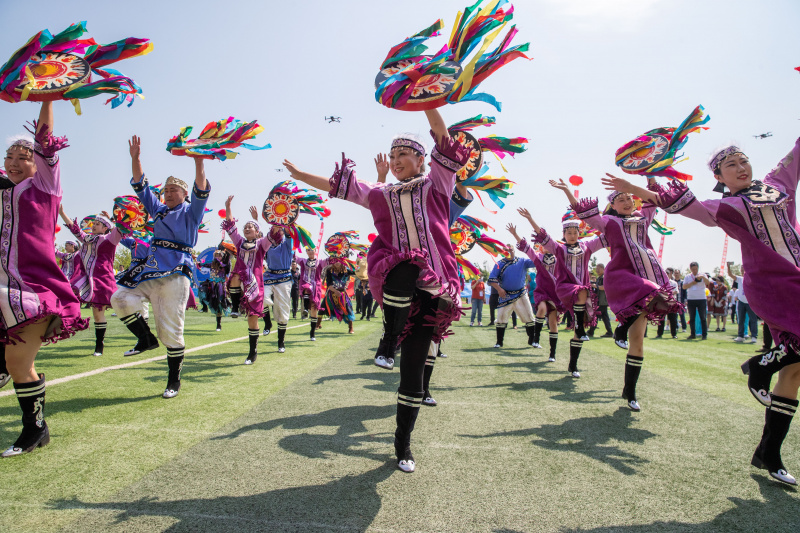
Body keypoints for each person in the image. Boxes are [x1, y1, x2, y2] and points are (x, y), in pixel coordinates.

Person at [282, 108, 468, 473]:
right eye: (393, 155)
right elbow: (341, 187)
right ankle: (387, 340)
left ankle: (403, 443)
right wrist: (301, 175)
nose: (397, 161)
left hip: (435, 286)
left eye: (404, 155)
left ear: (421, 159)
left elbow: (441, 134)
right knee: (405, 264)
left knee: (412, 374)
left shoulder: (437, 184)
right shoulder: (380, 193)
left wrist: (426, 100)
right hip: (396, 275)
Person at [605, 140, 800, 485]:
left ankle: (769, 451)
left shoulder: (777, 182)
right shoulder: (728, 206)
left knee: (796, 372)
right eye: (731, 166)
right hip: (772, 285)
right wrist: (635, 189)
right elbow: (684, 205)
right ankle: (761, 365)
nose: (741, 168)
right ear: (720, 176)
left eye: (744, 161)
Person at [1, 101, 89, 457]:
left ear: (37, 162)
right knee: (18, 364)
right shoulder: (3, 190)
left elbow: (44, 138)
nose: (13, 161)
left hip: (34, 292)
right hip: (5, 290)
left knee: (19, 366)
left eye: (22, 156)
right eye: (8, 155)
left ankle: (35, 429)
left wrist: (47, 95)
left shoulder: (45, 188)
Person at [565, 178, 681, 410]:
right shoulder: (608, 223)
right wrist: (568, 191)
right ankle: (619, 329)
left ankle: (630, 392)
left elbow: (652, 199)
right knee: (653, 290)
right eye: (620, 199)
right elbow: (586, 216)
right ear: (613, 207)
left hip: (647, 275)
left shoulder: (643, 218)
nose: (627, 201)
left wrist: (650, 176)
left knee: (637, 340)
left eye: (629, 197)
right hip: (622, 276)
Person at [112, 136, 210, 399]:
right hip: (151, 268)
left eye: (173, 190)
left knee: (171, 329)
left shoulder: (191, 212)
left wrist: (199, 161)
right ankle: (145, 338)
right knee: (120, 297)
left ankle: (173, 381)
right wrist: (136, 159)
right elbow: (141, 187)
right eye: (165, 190)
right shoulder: (158, 211)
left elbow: (201, 188)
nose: (167, 193)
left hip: (176, 271)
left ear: (183, 194)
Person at [518, 201, 607, 378]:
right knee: (582, 291)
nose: (572, 235)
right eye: (569, 233)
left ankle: (573, 365)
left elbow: (606, 236)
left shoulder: (587, 247)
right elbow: (543, 236)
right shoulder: (558, 249)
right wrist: (530, 219)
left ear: (579, 233)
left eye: (575, 232)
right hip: (565, 288)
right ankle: (547, 336)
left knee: (577, 329)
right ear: (564, 235)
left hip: (580, 295)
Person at [223, 197, 283, 363]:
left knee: (252, 319)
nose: (247, 228)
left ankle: (253, 352)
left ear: (257, 232)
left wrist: (279, 216)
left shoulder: (261, 244)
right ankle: (234, 306)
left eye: (251, 227)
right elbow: (230, 225)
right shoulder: (239, 242)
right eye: (246, 227)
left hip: (255, 285)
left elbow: (273, 232)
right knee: (235, 274)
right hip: (240, 277)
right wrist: (228, 206)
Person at [59, 207, 124, 356]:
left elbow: (120, 228)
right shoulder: (87, 239)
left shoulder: (110, 239)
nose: (94, 225)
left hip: (103, 280)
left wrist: (114, 219)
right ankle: (95, 342)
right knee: (94, 312)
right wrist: (62, 213)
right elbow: (74, 229)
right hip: (88, 279)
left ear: (105, 228)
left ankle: (100, 345)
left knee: (108, 312)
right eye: (93, 223)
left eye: (98, 224)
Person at [261, 227, 294, 351]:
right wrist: (257, 220)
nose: (277, 231)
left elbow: (289, 233)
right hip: (269, 276)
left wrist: (285, 222)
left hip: (284, 277)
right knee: (261, 297)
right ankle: (268, 323)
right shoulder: (267, 245)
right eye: (274, 229)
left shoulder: (286, 244)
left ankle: (281, 342)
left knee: (282, 311)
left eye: (279, 230)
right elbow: (260, 238)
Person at [296, 246, 329, 341]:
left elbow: (329, 261)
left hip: (316, 288)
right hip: (306, 284)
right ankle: (305, 309)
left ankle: (312, 332)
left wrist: (334, 253)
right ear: (306, 252)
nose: (310, 252)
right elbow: (293, 256)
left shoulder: (320, 262)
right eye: (308, 250)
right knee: (306, 288)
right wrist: (293, 245)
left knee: (314, 311)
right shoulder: (302, 261)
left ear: (315, 251)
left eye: (312, 250)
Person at [198, 248, 232, 330]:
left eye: (219, 256)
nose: (218, 257)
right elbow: (204, 264)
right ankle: (204, 307)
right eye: (216, 256)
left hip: (220, 285)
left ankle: (219, 324)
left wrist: (225, 257)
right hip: (211, 284)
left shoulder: (224, 265)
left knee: (219, 302)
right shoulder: (212, 263)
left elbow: (226, 267)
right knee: (201, 289)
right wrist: (199, 263)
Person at [727, 263, 758, 344]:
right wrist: (728, 266)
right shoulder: (740, 279)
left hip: (750, 302)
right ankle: (741, 336)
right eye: (741, 269)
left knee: (753, 319)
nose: (742, 270)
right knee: (741, 319)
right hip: (741, 302)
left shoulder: (752, 278)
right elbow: (730, 274)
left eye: (743, 268)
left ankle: (754, 336)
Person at [681, 262, 710, 340]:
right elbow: (684, 287)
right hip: (691, 299)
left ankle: (704, 335)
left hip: (701, 298)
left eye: (696, 269)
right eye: (693, 269)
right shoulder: (687, 277)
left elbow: (708, 283)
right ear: (690, 269)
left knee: (703, 317)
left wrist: (703, 278)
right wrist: (693, 282)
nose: (695, 270)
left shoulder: (703, 275)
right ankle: (692, 334)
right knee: (692, 318)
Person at [587, 263, 613, 338]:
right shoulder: (600, 278)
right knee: (605, 317)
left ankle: (591, 331)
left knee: (595, 315)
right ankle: (609, 332)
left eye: (598, 268)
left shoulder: (604, 277)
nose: (597, 270)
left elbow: (604, 287)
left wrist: (594, 285)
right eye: (596, 269)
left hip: (602, 301)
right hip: (601, 301)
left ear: (603, 269)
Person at [655, 267, 680, 339]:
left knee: (673, 319)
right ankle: (659, 334)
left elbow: (676, 291)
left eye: (668, 273)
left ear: (670, 274)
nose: (666, 274)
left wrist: (667, 293)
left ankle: (674, 334)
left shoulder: (674, 283)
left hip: (671, 302)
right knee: (661, 318)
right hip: (662, 302)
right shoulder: (660, 282)